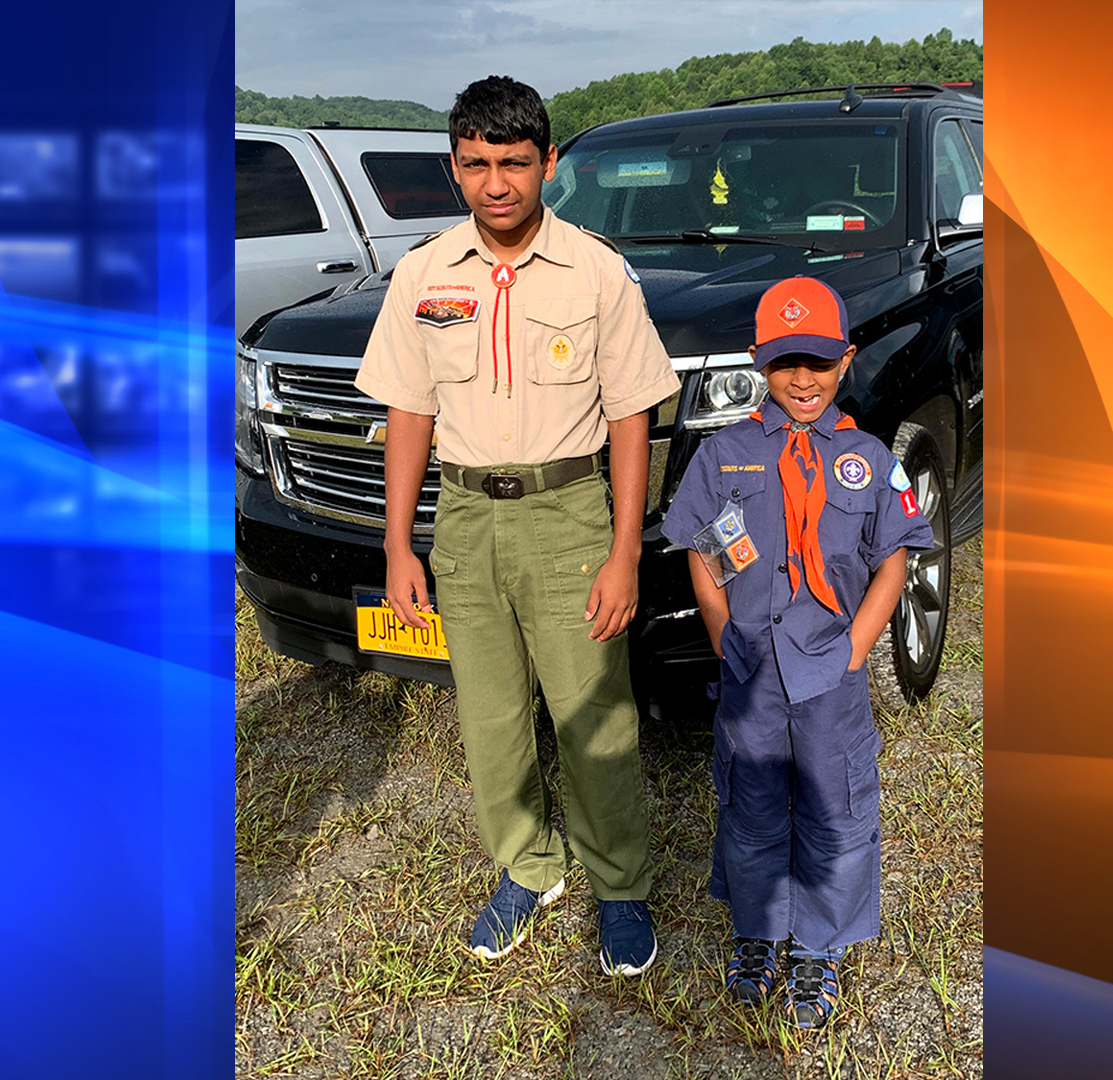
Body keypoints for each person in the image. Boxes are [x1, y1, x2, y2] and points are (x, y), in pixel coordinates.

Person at [354, 75, 678, 977]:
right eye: (476, 165)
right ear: (453, 168)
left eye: (515, 163)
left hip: (569, 517)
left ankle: (619, 887)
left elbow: (630, 417)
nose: (496, 184)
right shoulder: (423, 276)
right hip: (464, 521)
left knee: (592, 716)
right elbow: (411, 413)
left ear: (550, 164)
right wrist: (397, 543)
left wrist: (622, 551)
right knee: (490, 719)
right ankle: (528, 867)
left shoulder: (596, 270)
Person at [660, 277, 936, 1027]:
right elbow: (696, 543)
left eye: (817, 361)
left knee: (834, 808)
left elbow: (896, 556)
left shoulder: (868, 458)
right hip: (751, 669)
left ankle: (818, 948)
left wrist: (858, 645)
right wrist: (720, 631)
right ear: (760, 361)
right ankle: (758, 934)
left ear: (845, 361)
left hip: (830, 671)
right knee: (750, 807)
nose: (802, 379)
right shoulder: (727, 454)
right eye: (786, 363)